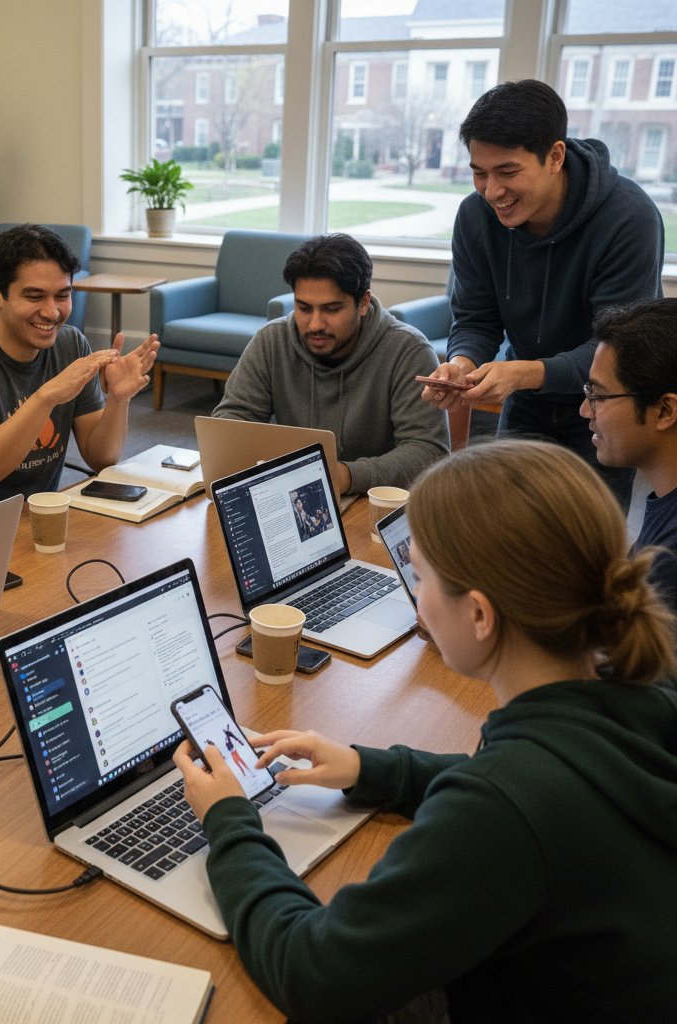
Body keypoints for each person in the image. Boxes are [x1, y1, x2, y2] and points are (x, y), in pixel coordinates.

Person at [175, 439, 677, 1023]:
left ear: (480, 615)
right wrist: (377, 769)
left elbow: (314, 974)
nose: (414, 599)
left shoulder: (503, 807)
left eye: (421, 577)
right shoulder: (642, 688)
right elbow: (556, 786)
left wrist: (229, 821)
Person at [422, 79, 664, 509]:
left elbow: (620, 349)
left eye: (508, 172)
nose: (492, 191)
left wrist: (524, 372)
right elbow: (476, 319)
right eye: (480, 173)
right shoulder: (476, 217)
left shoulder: (630, 219)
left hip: (606, 404)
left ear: (555, 156)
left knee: (583, 544)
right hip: (529, 401)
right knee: (506, 528)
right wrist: (461, 363)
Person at [0, 224, 159, 524]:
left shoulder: (71, 344)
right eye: (34, 297)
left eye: (62, 295)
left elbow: (101, 458)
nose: (52, 312)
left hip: (37, 521)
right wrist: (46, 396)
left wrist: (119, 400)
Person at [212, 233, 448, 496]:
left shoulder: (408, 350)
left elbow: (428, 453)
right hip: (296, 493)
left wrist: (346, 476)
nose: (315, 325)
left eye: (331, 309)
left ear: (363, 303)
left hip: (378, 501)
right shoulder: (272, 340)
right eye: (303, 308)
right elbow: (230, 424)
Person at [581, 298, 677, 612]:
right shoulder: (664, 501)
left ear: (665, 410)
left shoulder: (669, 559)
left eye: (599, 396)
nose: (585, 411)